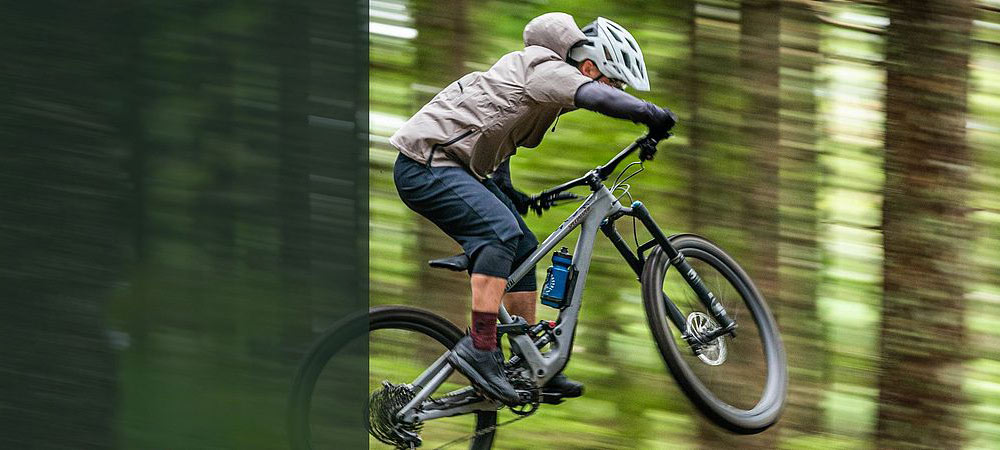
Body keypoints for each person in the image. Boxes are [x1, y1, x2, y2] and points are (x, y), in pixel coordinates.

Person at [390, 12, 677, 406]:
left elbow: (497, 127)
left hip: (458, 168)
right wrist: (649, 113)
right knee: (499, 233)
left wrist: (507, 189)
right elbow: (597, 97)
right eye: (614, 80)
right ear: (589, 66)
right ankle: (481, 346)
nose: (616, 89)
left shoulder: (542, 84)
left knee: (523, 243)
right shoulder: (547, 69)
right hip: (425, 166)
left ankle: (528, 362)